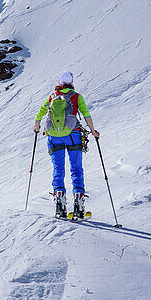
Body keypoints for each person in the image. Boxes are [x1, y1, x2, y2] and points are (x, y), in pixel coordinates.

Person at [33, 71, 99, 218]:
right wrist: (93, 131)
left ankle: (60, 204)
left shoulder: (52, 97)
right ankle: (78, 205)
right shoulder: (76, 96)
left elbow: (39, 114)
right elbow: (86, 114)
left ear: (59, 82)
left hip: (54, 137)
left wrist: (36, 127)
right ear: (71, 82)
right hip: (73, 135)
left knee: (58, 169)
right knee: (76, 169)